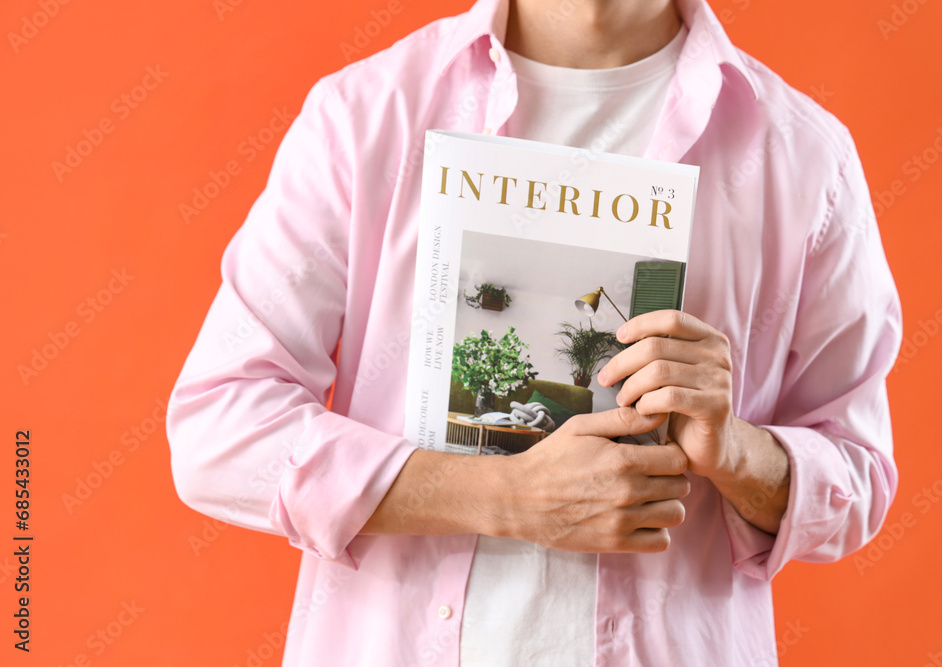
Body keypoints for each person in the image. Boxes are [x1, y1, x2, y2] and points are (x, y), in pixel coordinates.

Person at [166, 0, 902, 664]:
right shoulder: (365, 115)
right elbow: (220, 428)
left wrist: (738, 450)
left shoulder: (804, 156)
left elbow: (860, 475)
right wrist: (498, 494)